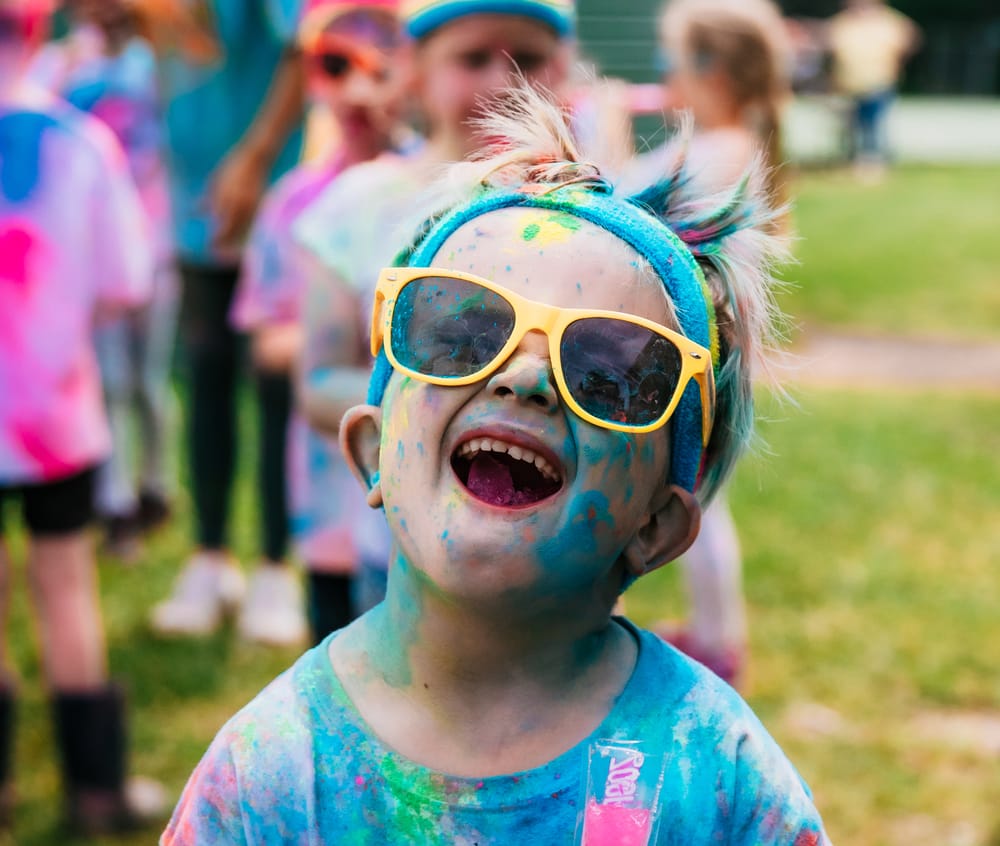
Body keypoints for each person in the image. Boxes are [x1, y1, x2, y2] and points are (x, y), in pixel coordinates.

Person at [161, 85, 831, 844]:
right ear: (374, 453)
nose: (523, 378)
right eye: (464, 335)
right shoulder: (270, 776)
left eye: (607, 372)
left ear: (657, 526)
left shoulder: (717, 779)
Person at [292, 0, 576, 615]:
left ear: (563, 69)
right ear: (414, 68)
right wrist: (443, 403)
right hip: (399, 560)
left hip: (562, 560)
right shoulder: (358, 208)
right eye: (472, 58)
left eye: (527, 59)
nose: (502, 82)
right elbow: (317, 382)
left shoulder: (591, 221)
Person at [0, 0, 163, 832]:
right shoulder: (77, 143)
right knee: (65, 585)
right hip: (53, 415)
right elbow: (127, 282)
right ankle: (96, 790)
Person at [622, 0, 793, 688]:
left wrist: (601, 134)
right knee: (693, 498)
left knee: (698, 501)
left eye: (670, 63)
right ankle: (716, 635)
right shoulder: (727, 144)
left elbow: (630, 203)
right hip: (694, 352)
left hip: (697, 358)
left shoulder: (721, 150)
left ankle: (721, 643)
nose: (665, 78)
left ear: (710, 70)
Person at [230, 0, 410, 645]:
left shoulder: (441, 191)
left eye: (381, 66)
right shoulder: (294, 205)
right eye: (335, 66)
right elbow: (266, 338)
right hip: (330, 506)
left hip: (420, 510)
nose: (359, 90)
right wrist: (332, 343)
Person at [147, 0, 309, 644]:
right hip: (194, 202)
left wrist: (254, 157)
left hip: (266, 200)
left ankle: (276, 567)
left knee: (274, 383)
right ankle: (209, 558)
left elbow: (302, 45)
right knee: (207, 374)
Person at [30, 0, 178, 560]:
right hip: (94, 250)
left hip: (156, 242)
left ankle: (159, 485)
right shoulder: (64, 66)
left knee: (149, 379)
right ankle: (115, 504)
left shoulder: (157, 64)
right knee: (110, 377)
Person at [827, 0, 920, 178]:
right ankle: (855, 161)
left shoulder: (889, 21)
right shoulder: (843, 22)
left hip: (879, 81)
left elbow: (910, 38)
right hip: (848, 84)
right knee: (853, 125)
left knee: (874, 125)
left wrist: (897, 63)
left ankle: (874, 164)